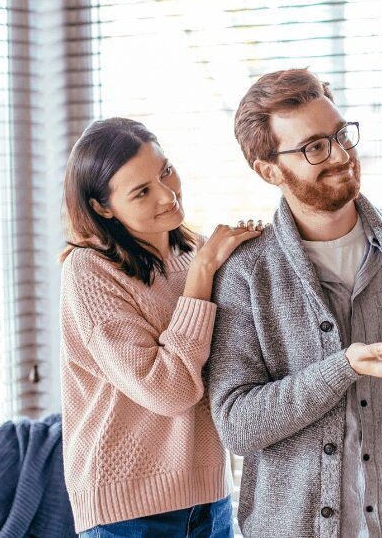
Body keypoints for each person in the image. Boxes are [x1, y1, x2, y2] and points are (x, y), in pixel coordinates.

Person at [205, 69, 382, 538]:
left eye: (341, 135)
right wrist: (343, 367)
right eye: (315, 146)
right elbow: (238, 425)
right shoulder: (246, 274)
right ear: (269, 170)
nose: (341, 155)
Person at [58, 117, 261, 537]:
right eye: (142, 191)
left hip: (209, 498)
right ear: (103, 207)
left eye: (165, 170)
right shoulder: (90, 271)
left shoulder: (195, 252)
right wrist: (204, 273)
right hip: (126, 514)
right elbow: (169, 391)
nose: (168, 194)